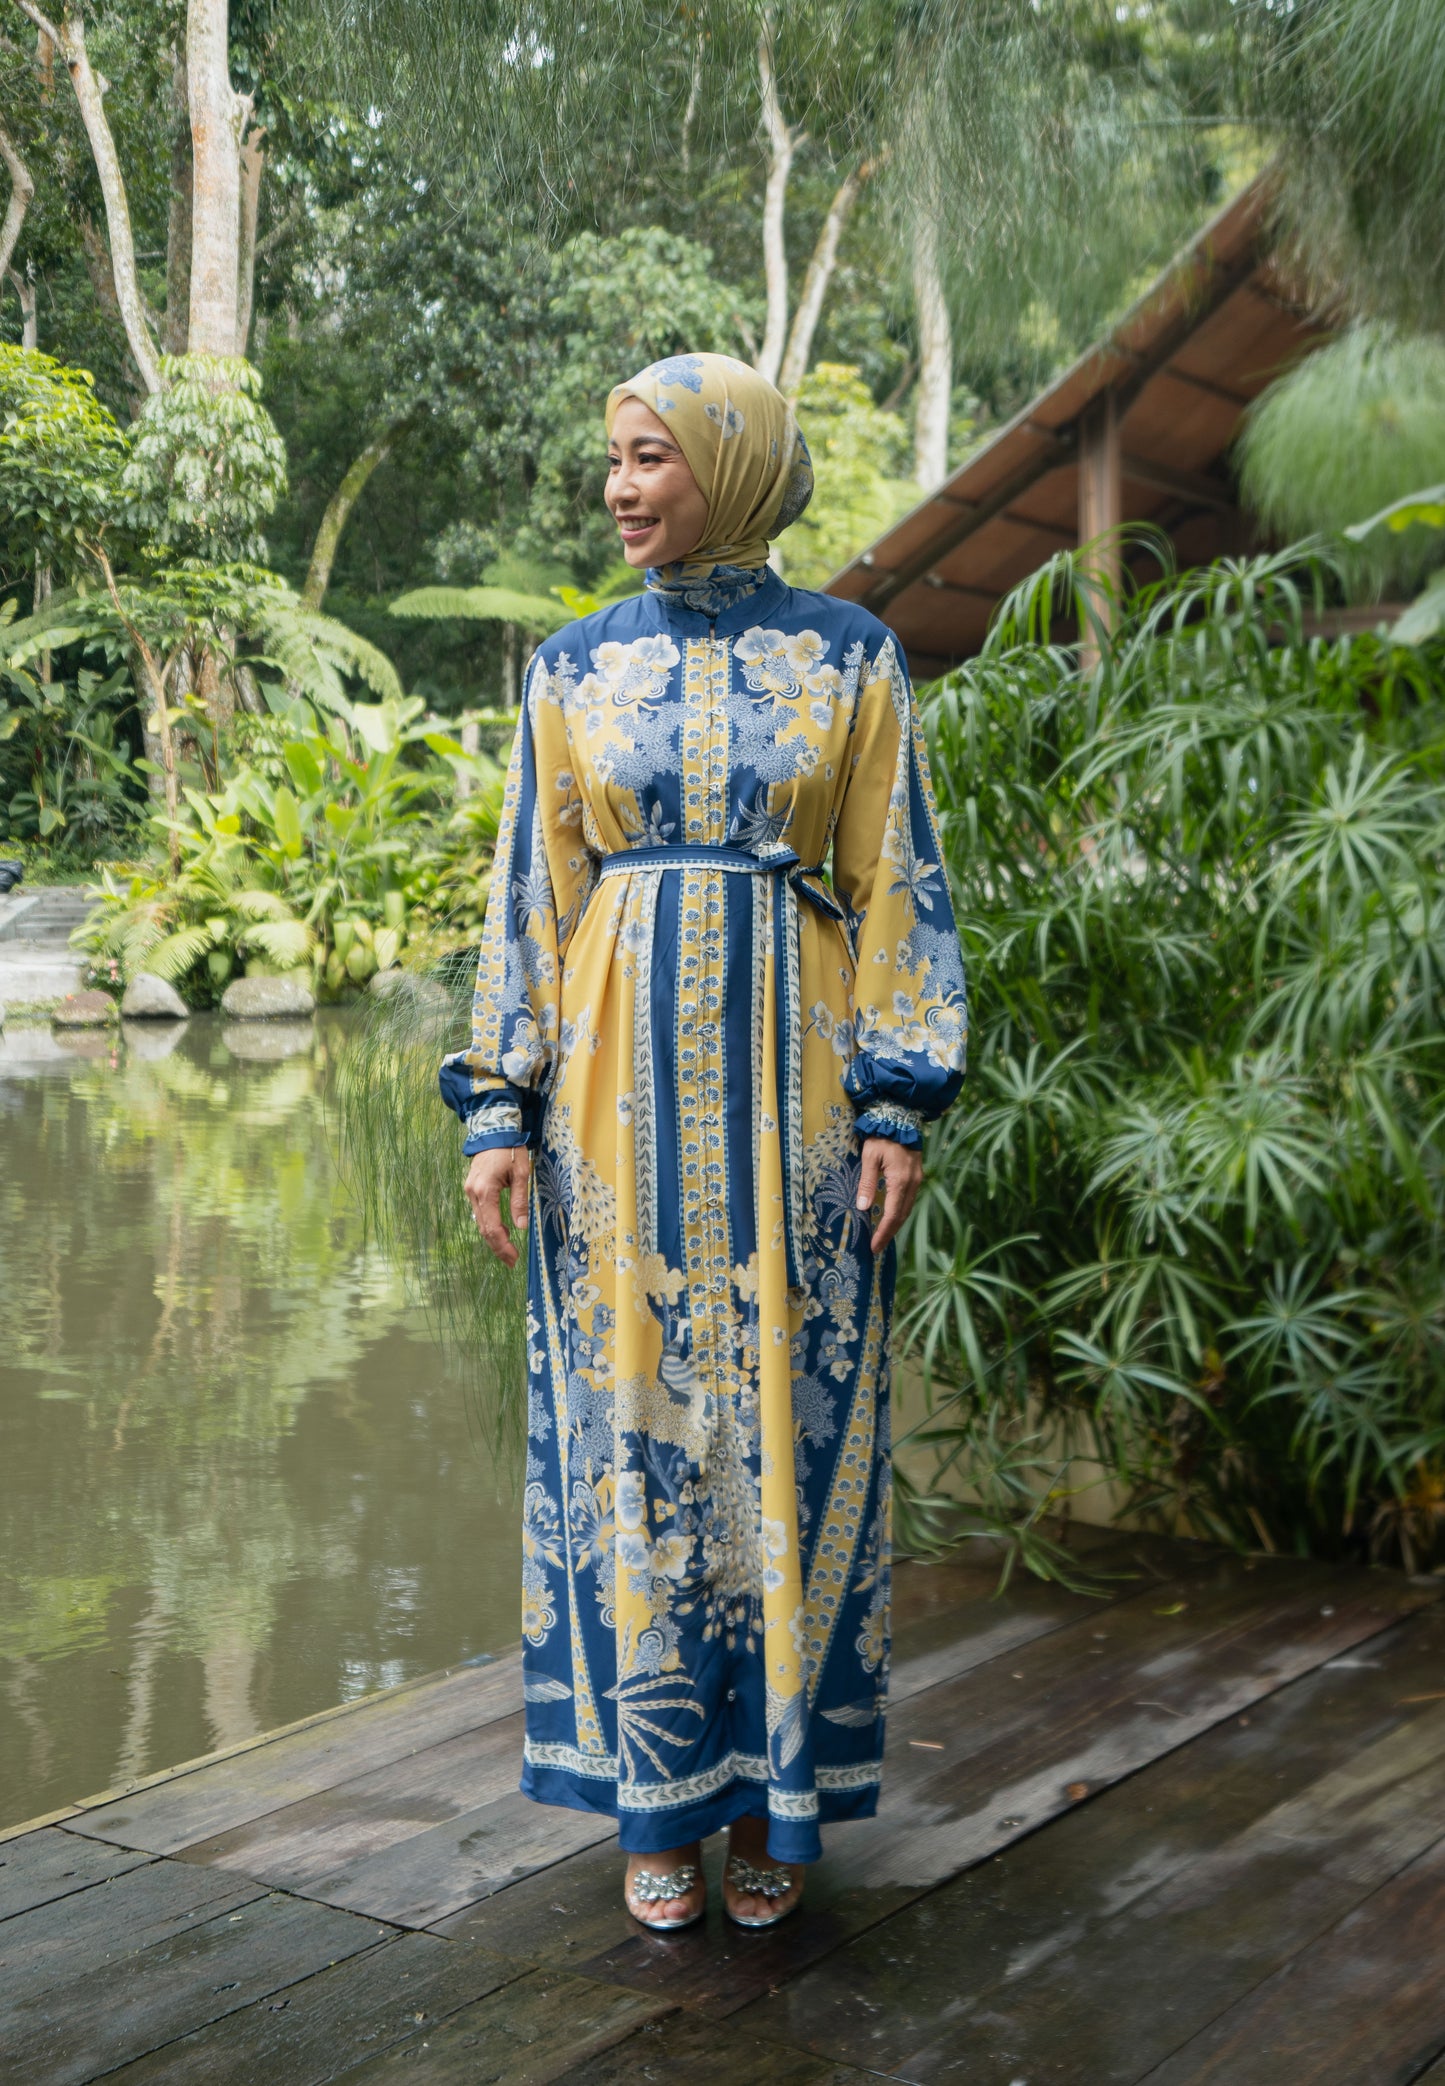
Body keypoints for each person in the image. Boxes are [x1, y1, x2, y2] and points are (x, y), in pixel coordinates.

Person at [440, 352, 967, 1932]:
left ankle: (772, 1802)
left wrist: (896, 1098)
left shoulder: (850, 656)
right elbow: (529, 895)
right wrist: (498, 1104)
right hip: (608, 1117)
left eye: (649, 456)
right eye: (612, 458)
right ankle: (655, 1800)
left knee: (786, 1421)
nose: (619, 487)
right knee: (636, 1426)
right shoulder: (573, 666)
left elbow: (895, 881)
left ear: (729, 466)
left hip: (799, 1106)